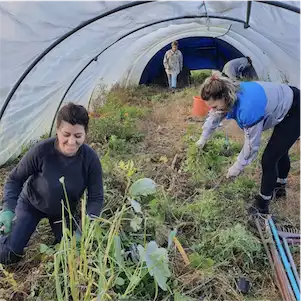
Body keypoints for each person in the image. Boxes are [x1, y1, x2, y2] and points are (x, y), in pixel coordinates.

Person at [0, 102, 104, 264]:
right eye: (66, 134)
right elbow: (15, 179)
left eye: (78, 136)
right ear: (57, 131)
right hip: (31, 205)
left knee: (68, 256)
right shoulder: (41, 151)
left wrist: (84, 229)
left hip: (63, 211)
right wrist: (8, 209)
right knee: (10, 254)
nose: (71, 142)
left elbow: (96, 197)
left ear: (85, 134)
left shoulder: (90, 160)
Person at [196, 72, 301, 216]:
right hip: (285, 101)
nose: (213, 110)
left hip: (296, 109)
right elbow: (215, 116)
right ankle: (280, 188)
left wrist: (237, 166)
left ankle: (262, 206)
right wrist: (203, 138)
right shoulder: (227, 94)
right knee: (280, 151)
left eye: (214, 106)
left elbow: (251, 147)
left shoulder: (248, 108)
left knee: (269, 159)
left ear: (225, 97)